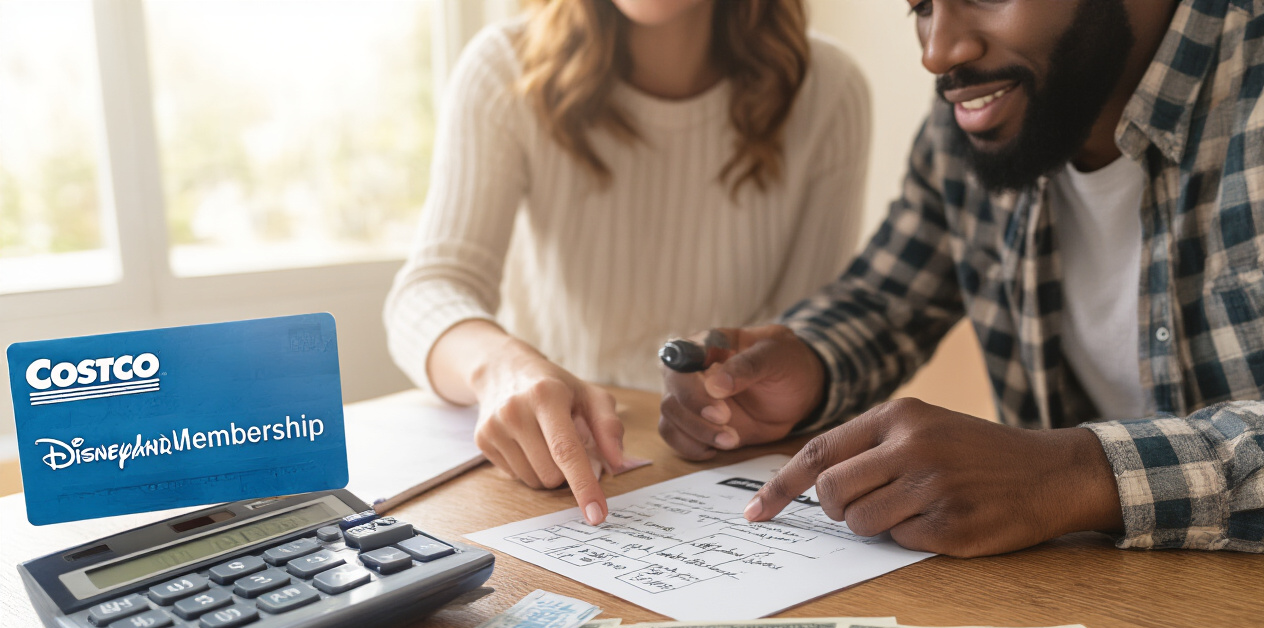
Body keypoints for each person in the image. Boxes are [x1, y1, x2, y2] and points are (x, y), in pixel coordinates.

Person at [659, 0, 1264, 557]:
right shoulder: (986, 103)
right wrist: (808, 367)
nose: (938, 52)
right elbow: (888, 297)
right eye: (920, 6)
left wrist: (1077, 474)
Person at [384, 0, 871, 526]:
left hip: (731, 487)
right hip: (554, 477)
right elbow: (427, 291)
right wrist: (501, 368)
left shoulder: (829, 88)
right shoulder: (504, 66)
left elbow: (811, 338)